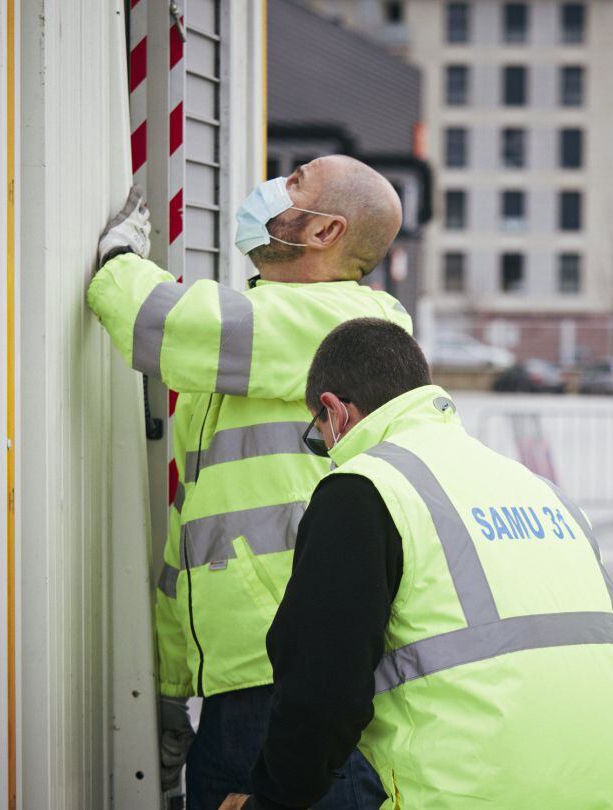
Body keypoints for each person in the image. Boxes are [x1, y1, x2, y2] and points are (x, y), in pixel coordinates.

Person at [219, 318, 613, 810]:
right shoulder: (541, 491)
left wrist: (273, 800)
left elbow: (321, 688)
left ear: (335, 411)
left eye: (318, 434)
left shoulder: (366, 489)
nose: (325, 450)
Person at [88, 156, 410, 809]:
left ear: (325, 232)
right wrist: (172, 687)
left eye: (295, 183)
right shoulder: (256, 346)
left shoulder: (347, 327)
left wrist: (115, 258)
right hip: (241, 690)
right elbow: (197, 536)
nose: (269, 189)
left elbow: (164, 321)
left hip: (295, 686)